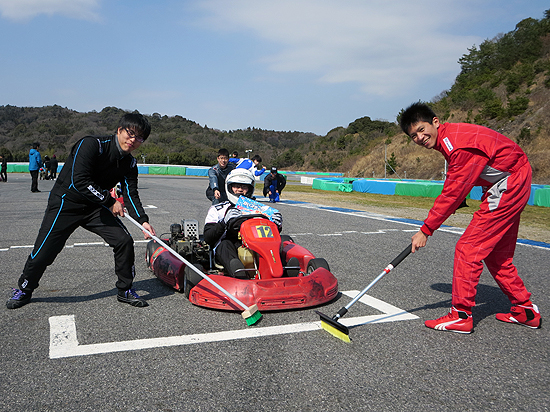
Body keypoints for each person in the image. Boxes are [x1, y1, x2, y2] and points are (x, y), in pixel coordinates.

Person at [400, 102, 541, 333]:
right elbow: (459, 184)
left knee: (468, 249)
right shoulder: (450, 140)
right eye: (413, 135)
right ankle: (525, 310)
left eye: (422, 129)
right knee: (496, 256)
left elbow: (453, 192)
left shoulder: (457, 145)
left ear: (435, 122)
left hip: (510, 184)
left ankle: (461, 315)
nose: (420, 137)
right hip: (510, 182)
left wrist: (426, 230)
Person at [6, 113, 156, 309]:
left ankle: (125, 289)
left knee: (124, 240)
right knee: (44, 251)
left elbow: (131, 194)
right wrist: (110, 201)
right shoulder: (92, 144)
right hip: (66, 203)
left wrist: (142, 221)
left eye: (140, 138)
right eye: (131, 133)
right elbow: (80, 181)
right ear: (119, 130)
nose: (134, 140)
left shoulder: (130, 163)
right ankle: (25, 288)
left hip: (94, 207)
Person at [203, 169, 283, 278]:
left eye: (244, 187)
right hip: (230, 246)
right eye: (236, 186)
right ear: (229, 187)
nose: (240, 190)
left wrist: (276, 223)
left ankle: (283, 268)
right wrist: (224, 222)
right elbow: (208, 237)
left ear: (250, 189)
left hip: (258, 244)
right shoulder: (218, 209)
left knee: (284, 240)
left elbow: (271, 229)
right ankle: (239, 273)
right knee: (224, 245)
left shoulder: (259, 208)